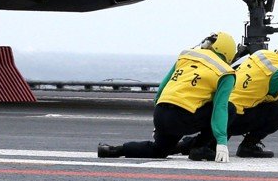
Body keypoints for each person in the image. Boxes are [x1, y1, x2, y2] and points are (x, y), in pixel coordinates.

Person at [97, 32, 237, 162]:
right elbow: (220, 107)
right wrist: (221, 140)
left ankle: (113, 150)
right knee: (230, 108)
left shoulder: (187, 56)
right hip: (183, 117)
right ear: (228, 53)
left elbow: (163, 87)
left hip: (160, 114)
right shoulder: (225, 72)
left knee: (159, 150)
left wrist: (159, 126)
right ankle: (200, 148)